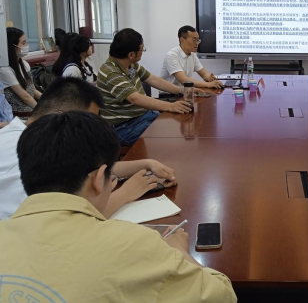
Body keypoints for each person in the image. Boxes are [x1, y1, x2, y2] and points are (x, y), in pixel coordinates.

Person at [0, 111, 237, 302]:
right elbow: (222, 295)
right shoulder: (132, 245)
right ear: (99, 179)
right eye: (112, 177)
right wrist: (180, 252)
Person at [0, 77, 178, 221]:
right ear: (63, 118)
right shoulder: (21, 158)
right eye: (86, 123)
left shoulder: (33, 137)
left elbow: (81, 169)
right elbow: (66, 223)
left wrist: (146, 164)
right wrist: (125, 194)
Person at [98, 28, 192, 146]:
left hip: (143, 116)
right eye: (142, 49)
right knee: (168, 136)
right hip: (124, 127)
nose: (143, 51)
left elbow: (153, 79)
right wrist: (170, 106)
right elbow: (135, 99)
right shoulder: (110, 72)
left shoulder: (131, 64)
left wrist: (182, 90)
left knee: (177, 122)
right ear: (131, 54)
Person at [0, 27, 42, 114]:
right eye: (23, 43)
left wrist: (50, 101)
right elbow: (25, 97)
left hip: (31, 109)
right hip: (19, 114)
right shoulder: (4, 70)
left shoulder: (24, 64)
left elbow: (33, 90)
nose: (26, 46)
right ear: (13, 47)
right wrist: (43, 111)